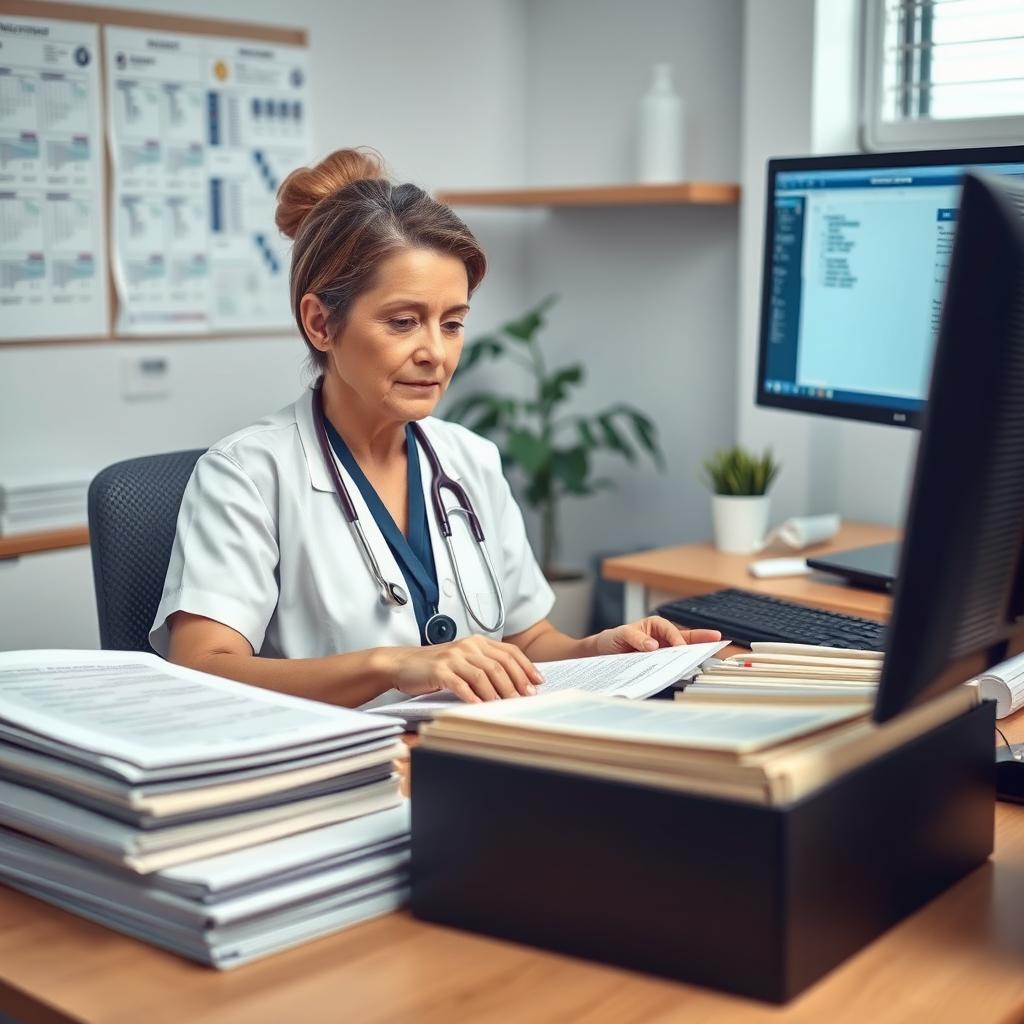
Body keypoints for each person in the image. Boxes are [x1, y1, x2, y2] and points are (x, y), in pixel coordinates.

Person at [150, 148, 720, 709]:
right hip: (338, 773)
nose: (435, 354)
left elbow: (527, 642)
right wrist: (389, 665)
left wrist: (601, 649)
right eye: (403, 322)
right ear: (321, 323)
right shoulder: (248, 474)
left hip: (478, 755)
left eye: (452, 324)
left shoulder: (470, 459)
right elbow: (203, 669)